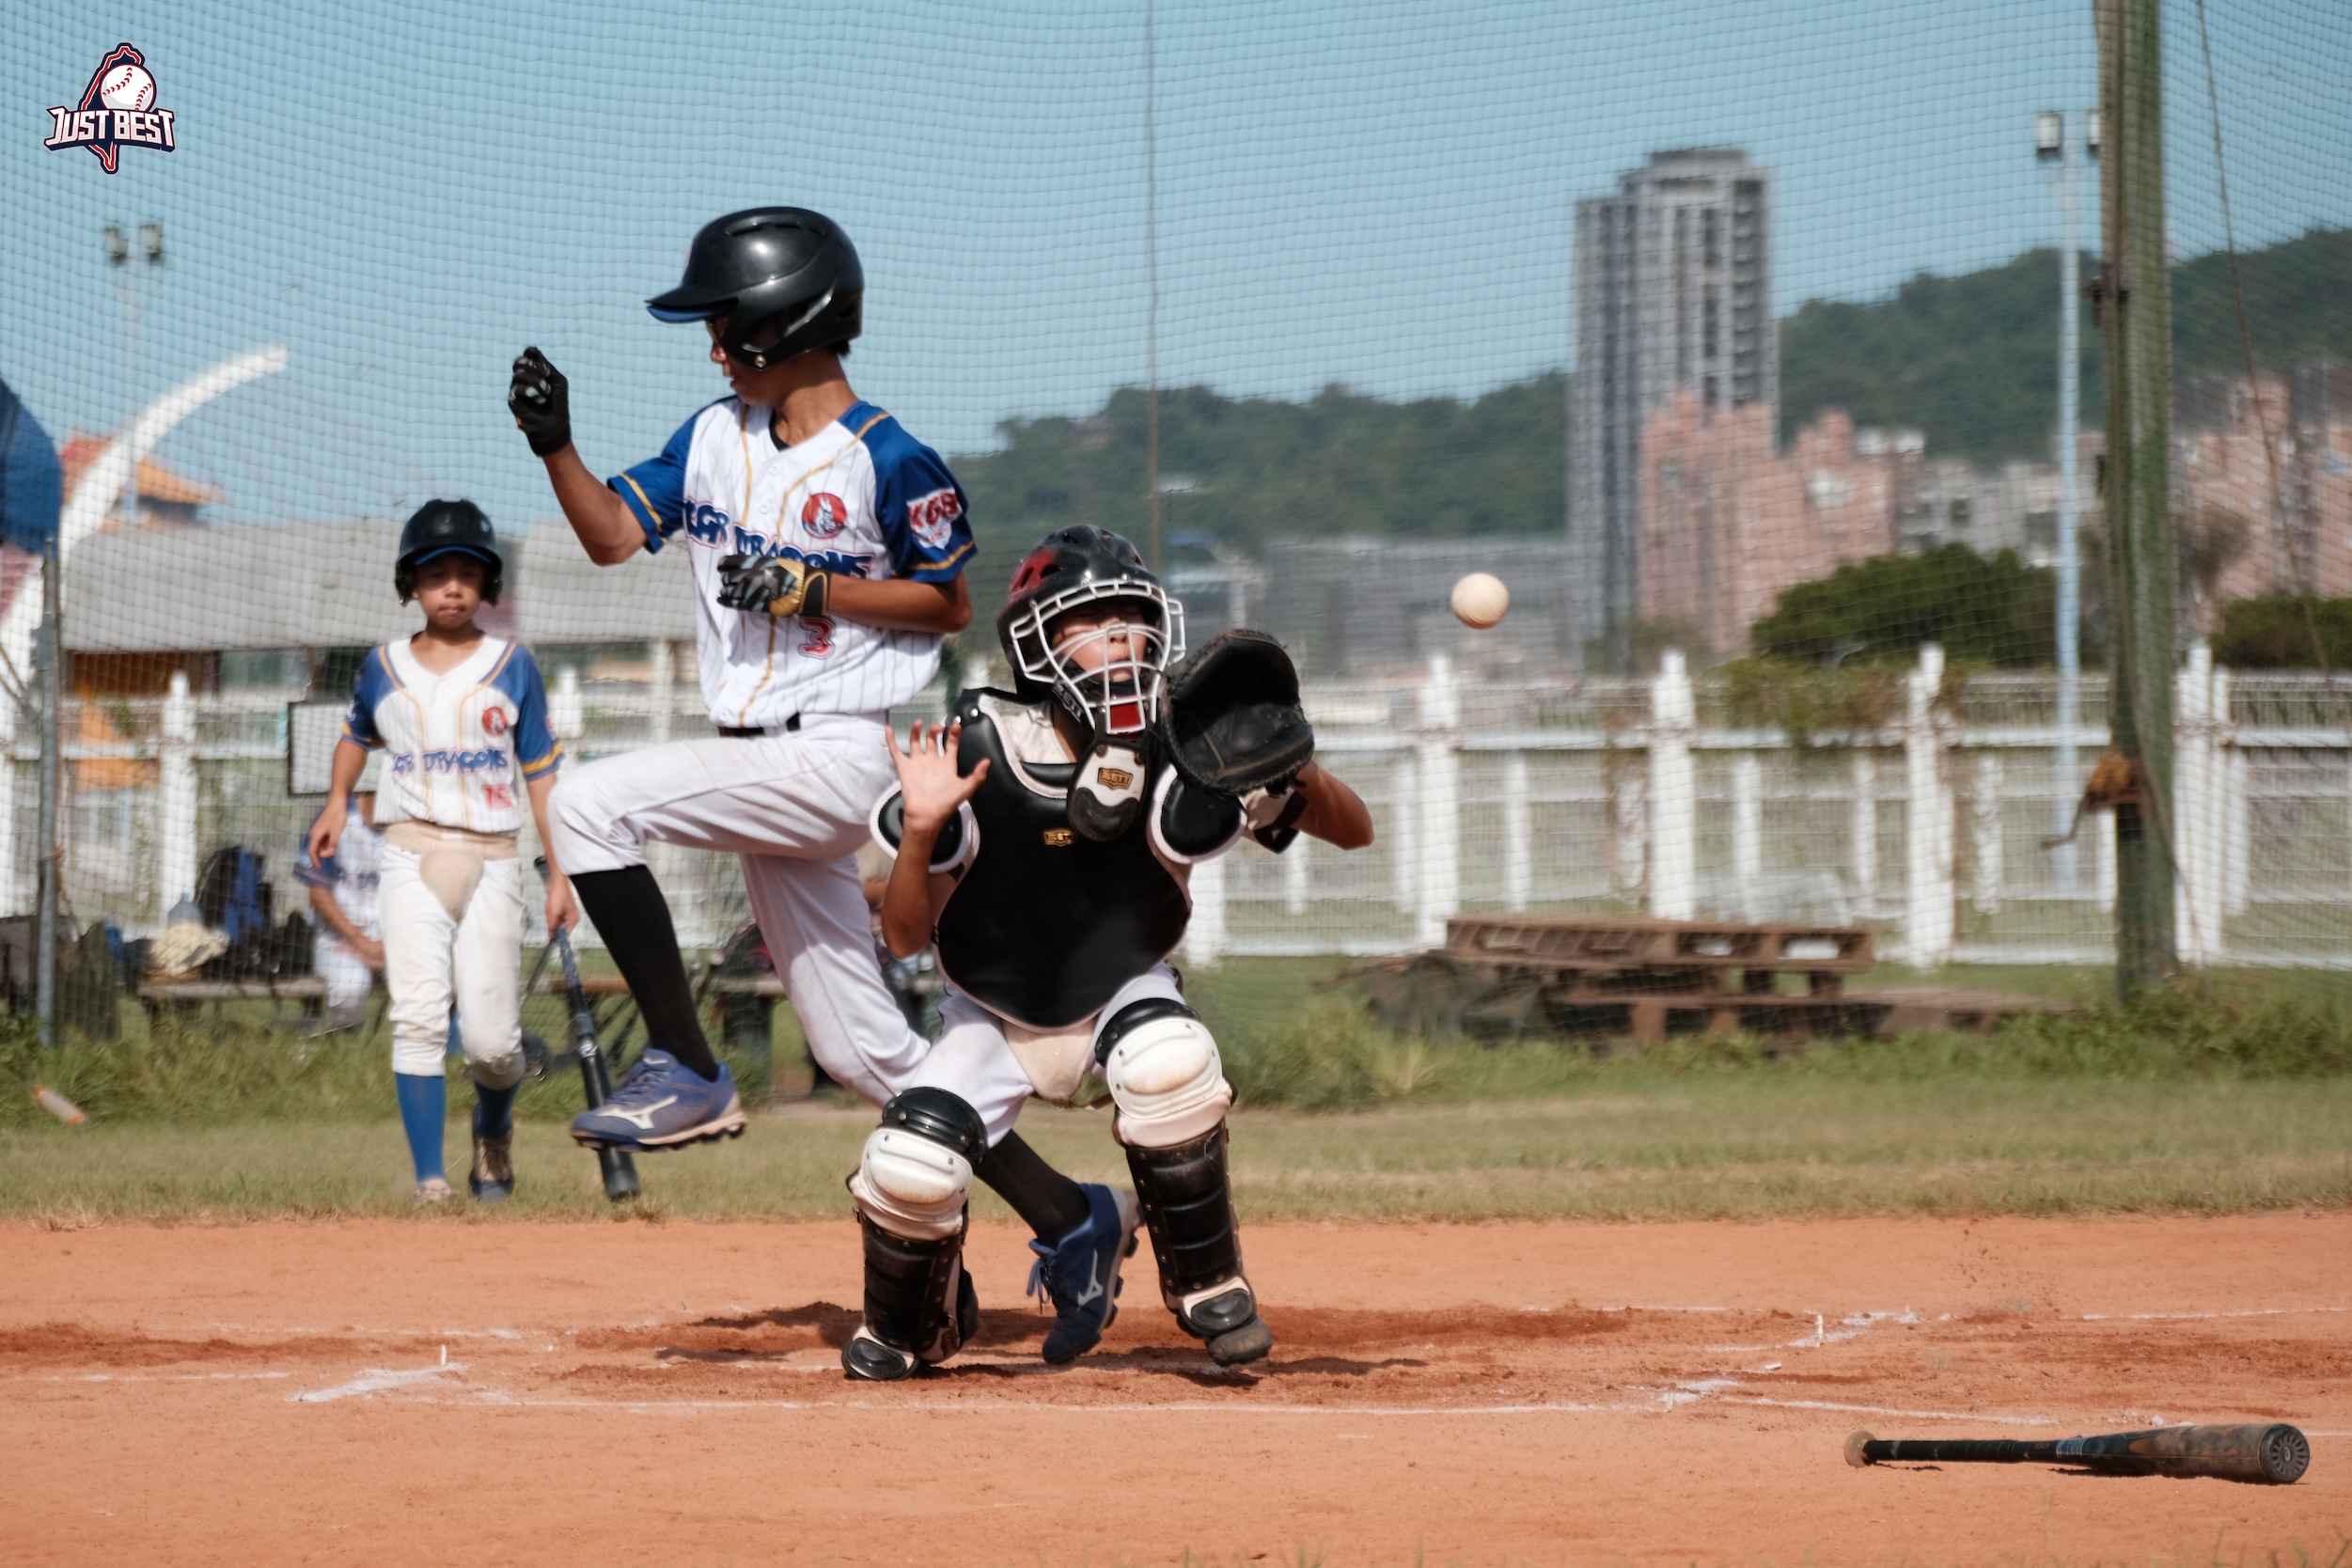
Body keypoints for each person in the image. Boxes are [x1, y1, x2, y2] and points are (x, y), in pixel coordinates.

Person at [501, 209, 1099, 1263]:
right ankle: (1073, 1216)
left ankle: (688, 1065)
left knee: (593, 803)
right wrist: (556, 446)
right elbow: (607, 538)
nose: (713, 340)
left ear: (789, 320)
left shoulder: (886, 457)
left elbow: (947, 603)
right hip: (757, 756)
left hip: (842, 749)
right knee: (864, 1050)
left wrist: (816, 586)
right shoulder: (711, 436)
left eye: (725, 318)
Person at [848, 526, 1375, 1381]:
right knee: (910, 1163)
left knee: (1169, 1061)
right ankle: (922, 1323)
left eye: (1133, 621)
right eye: (1093, 623)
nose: (1120, 643)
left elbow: (1355, 833)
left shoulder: (1184, 755)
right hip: (992, 1003)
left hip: (1123, 984)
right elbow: (904, 937)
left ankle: (1208, 1283)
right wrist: (918, 829)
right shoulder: (978, 753)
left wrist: (1295, 762)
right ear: (1039, 643)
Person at [306, 501, 573, 1205]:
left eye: (467, 573)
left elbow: (541, 775)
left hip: (492, 857)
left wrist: (561, 872)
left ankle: (493, 1135)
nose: (452, 587)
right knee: (420, 1018)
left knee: (491, 1044)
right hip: (410, 850)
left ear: (488, 585)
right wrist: (337, 800)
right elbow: (355, 735)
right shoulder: (381, 665)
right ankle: (431, 1182)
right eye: (435, 574)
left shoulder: (513, 664)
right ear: (411, 585)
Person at [294, 786, 384, 1033]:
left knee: (431, 982)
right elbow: (318, 894)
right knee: (349, 986)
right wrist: (361, 942)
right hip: (339, 938)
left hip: (396, 942)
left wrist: (394, 946)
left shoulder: (411, 821)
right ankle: (343, 1049)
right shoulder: (334, 817)